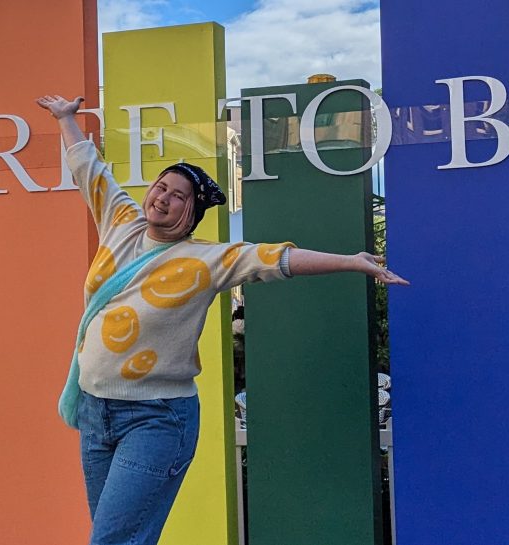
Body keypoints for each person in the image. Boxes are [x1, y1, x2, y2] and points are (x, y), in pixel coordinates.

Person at [36, 95, 408, 545]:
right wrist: (66, 119)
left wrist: (350, 261)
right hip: (96, 412)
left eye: (178, 196)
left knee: (113, 540)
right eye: (161, 187)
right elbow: (88, 170)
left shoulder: (206, 259)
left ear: (191, 213)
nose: (164, 198)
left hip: (155, 419)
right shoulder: (122, 223)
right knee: (123, 537)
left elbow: (273, 258)